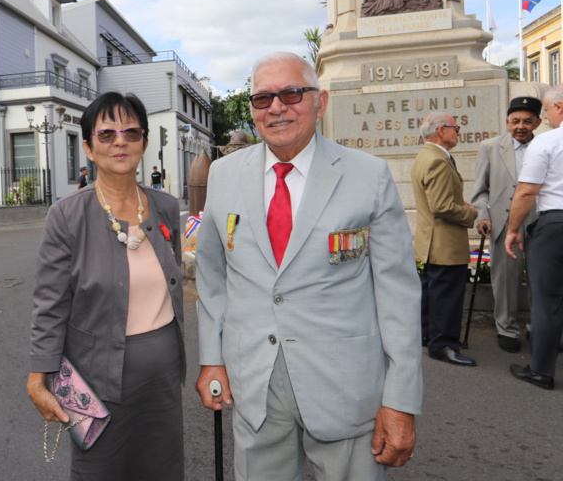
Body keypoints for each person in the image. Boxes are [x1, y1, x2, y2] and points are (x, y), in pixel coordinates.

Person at [195, 52, 422, 481]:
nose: (277, 107)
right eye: (263, 99)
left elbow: (398, 296)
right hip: (255, 388)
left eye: (292, 93)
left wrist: (401, 400)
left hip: (345, 388)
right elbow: (212, 277)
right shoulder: (224, 176)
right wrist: (211, 358)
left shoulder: (368, 176)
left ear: (321, 102)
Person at [28, 92, 185, 480]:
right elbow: (50, 303)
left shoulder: (165, 207)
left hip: (162, 373)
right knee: (99, 470)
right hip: (94, 376)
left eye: (132, 132)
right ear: (88, 147)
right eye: (107, 133)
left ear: (144, 143)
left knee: (161, 467)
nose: (120, 141)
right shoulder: (67, 216)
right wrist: (38, 377)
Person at [470, 97, 542, 352]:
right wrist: (483, 215)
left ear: (538, 122)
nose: (520, 126)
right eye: (515, 121)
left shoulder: (546, 146)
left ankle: (539, 329)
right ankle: (507, 329)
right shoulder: (489, 147)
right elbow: (480, 191)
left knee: (541, 279)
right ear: (507, 122)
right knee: (506, 280)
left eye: (527, 121)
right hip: (502, 222)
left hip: (539, 223)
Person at [505, 85, 563, 390]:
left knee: (547, 300)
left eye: (547, 109)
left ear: (560, 108)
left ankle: (541, 370)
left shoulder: (548, 142)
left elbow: (527, 191)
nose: (546, 116)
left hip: (554, 226)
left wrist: (513, 229)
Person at [411, 112, 478, 366]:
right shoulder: (437, 160)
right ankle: (444, 345)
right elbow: (441, 206)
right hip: (445, 244)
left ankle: (429, 336)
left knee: (433, 294)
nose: (458, 133)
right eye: (455, 128)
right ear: (441, 130)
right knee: (447, 298)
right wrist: (469, 214)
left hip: (433, 242)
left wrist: (460, 205)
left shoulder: (427, 156)